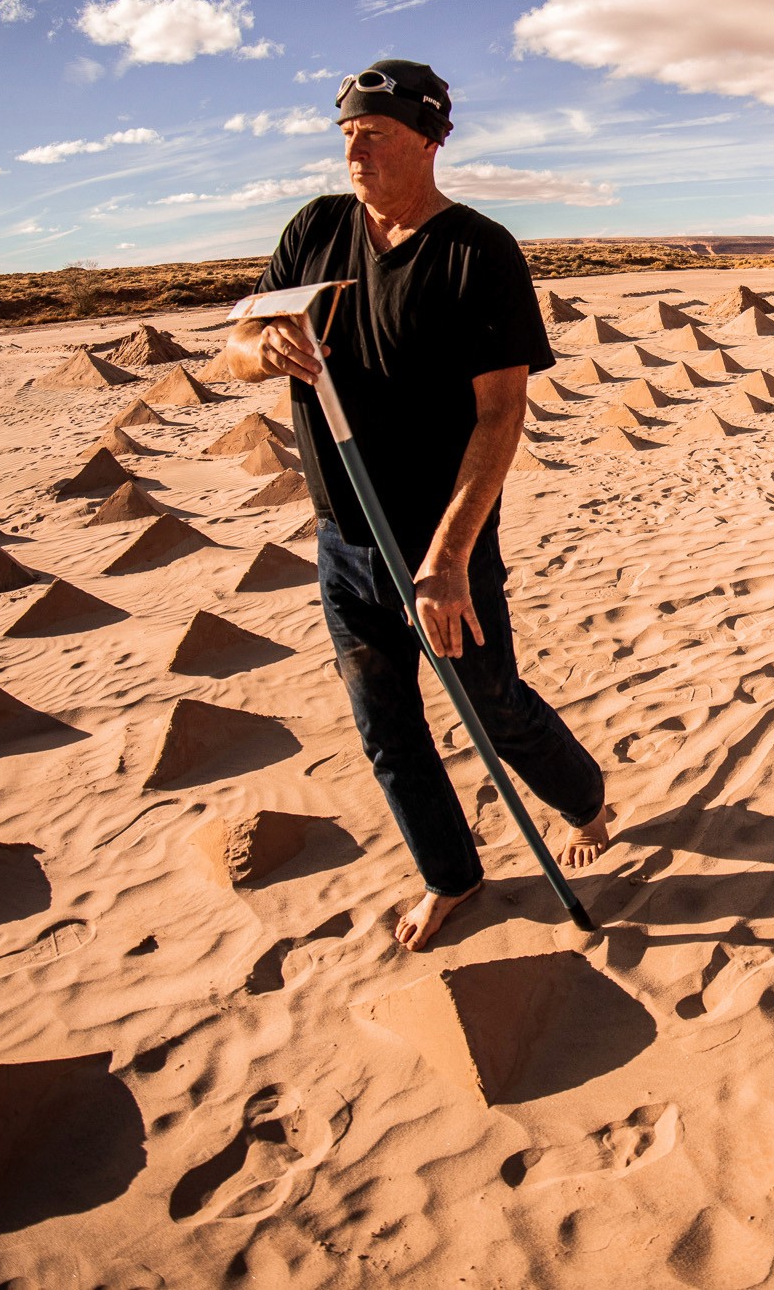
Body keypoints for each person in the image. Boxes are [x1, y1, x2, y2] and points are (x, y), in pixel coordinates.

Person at [217, 58, 610, 951]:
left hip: (440, 548)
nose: (356, 151)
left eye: (378, 134)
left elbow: (502, 413)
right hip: (342, 540)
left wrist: (447, 558)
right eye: (347, 134)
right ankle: (451, 876)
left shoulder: (479, 252)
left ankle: (584, 802)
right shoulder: (314, 230)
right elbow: (233, 349)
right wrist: (263, 351)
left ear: (431, 141)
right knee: (385, 726)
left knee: (491, 703)